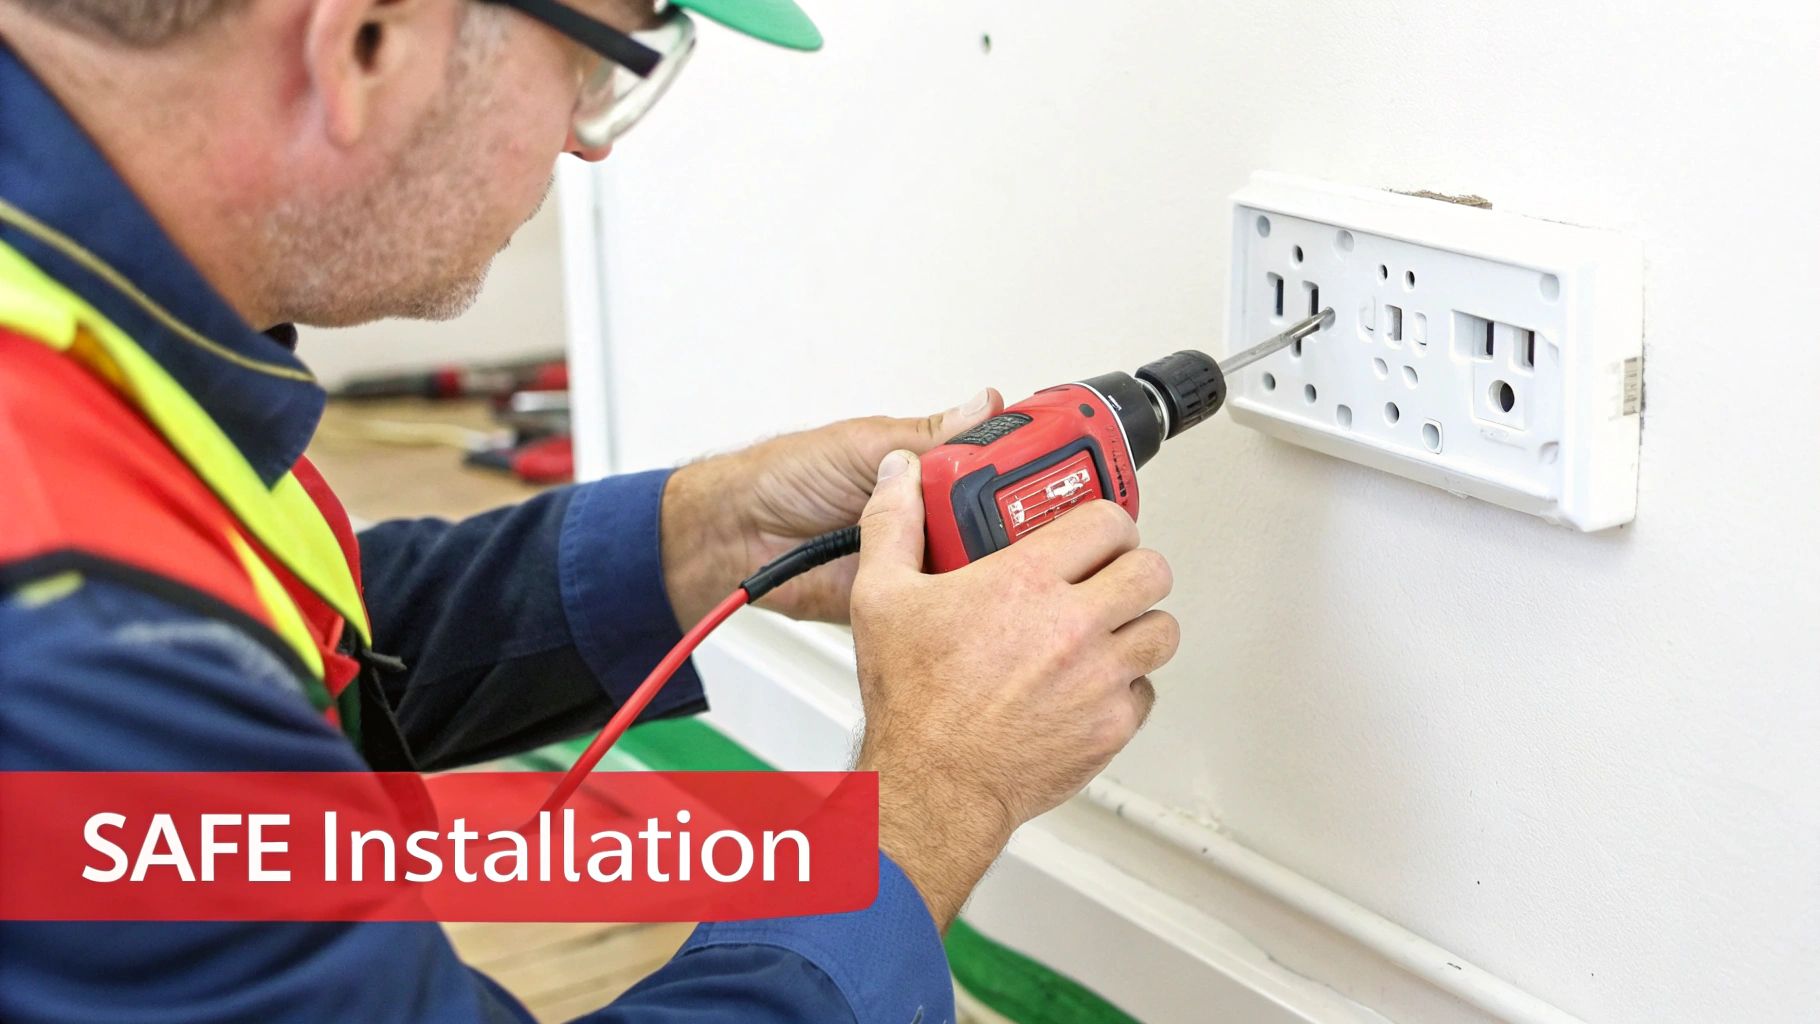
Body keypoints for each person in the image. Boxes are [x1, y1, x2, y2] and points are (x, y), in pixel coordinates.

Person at [0, 0, 1180, 1019]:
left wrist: (714, 537)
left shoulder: (66, 345)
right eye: (599, 62)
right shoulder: (75, 641)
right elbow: (188, 704)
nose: (587, 143)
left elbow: (274, 659)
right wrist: (937, 799)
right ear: (365, 40)